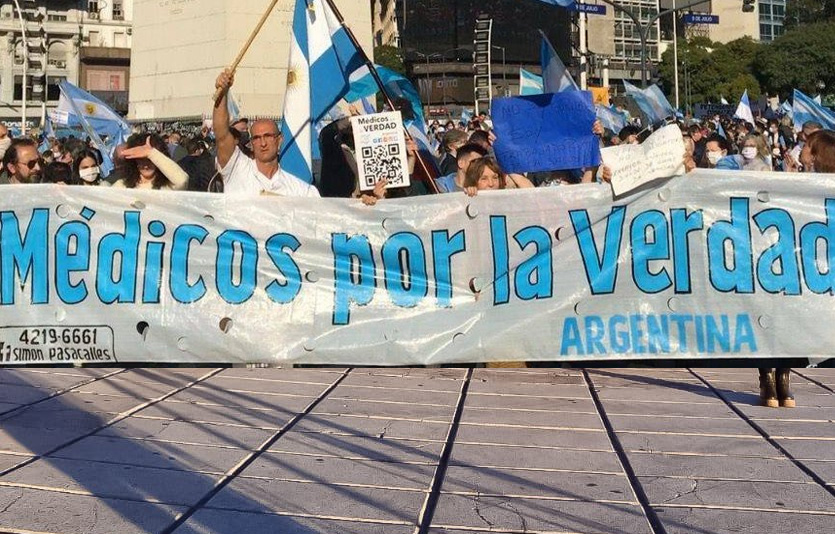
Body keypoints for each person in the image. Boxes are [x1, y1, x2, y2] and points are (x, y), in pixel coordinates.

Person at [213, 68, 319, 198]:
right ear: (251, 143)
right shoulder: (237, 168)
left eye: (268, 136)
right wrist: (222, 93)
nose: (263, 143)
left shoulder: (301, 191)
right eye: (257, 138)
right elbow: (221, 135)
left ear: (279, 140)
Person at [112, 133, 189, 190]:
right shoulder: (122, 186)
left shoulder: (168, 186)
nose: (146, 165)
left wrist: (151, 153)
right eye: (141, 160)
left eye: (149, 160)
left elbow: (182, 181)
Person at [462, 156, 533, 197]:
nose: (491, 184)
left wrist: (509, 169)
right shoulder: (467, 200)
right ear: (473, 181)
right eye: (484, 179)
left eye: (495, 177)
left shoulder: (508, 199)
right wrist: (468, 194)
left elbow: (533, 194)